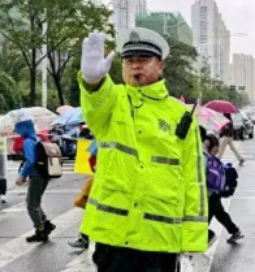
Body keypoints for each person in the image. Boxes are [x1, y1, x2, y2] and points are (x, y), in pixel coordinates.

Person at [78, 28, 208, 271]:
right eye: (129, 60)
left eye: (143, 60)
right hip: (114, 235)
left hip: (160, 237)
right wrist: (92, 82)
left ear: (160, 66)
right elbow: (95, 103)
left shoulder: (181, 115)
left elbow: (194, 179)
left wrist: (192, 239)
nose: (135, 66)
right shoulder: (113, 99)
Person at [14, 117, 56, 242]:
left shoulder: (27, 141)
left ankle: (41, 230)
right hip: (44, 174)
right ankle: (46, 224)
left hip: (36, 175)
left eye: (19, 128)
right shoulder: (37, 138)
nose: (18, 131)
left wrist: (22, 175)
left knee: (32, 205)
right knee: (34, 202)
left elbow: (30, 160)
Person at [203, 133, 243, 246]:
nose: (217, 149)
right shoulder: (212, 159)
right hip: (215, 193)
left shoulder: (206, 158)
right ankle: (235, 231)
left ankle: (208, 236)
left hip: (210, 195)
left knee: (205, 220)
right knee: (220, 213)